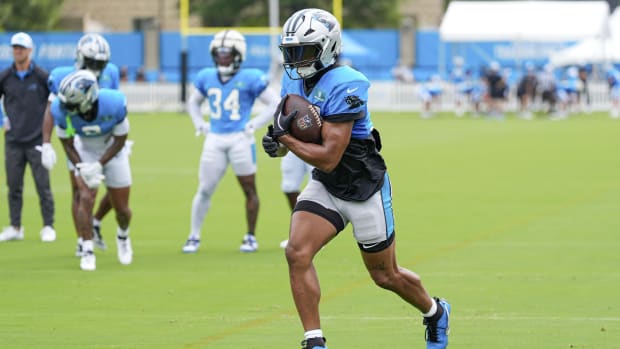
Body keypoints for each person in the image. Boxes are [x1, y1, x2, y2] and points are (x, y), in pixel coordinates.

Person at [261, 9, 451, 349]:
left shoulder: (348, 82)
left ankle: (435, 312)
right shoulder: (293, 81)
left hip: (363, 186)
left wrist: (286, 138)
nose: (295, 59)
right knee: (297, 252)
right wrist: (277, 143)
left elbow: (331, 156)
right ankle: (314, 340)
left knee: (385, 276)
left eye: (303, 51)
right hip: (326, 184)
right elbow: (294, 135)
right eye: (291, 51)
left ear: (327, 47)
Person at [181, 29, 279, 254]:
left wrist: (254, 123)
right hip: (214, 139)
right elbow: (193, 102)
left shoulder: (251, 77)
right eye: (219, 53)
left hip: (240, 140)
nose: (222, 58)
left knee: (249, 189)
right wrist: (199, 122)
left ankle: (250, 236)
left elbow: (275, 103)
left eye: (227, 54)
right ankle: (193, 235)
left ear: (238, 55)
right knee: (205, 189)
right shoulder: (206, 76)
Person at [41, 33, 121, 255]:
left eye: (100, 63)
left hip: (104, 135)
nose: (96, 67)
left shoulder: (111, 73)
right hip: (76, 136)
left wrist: (121, 137)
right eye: (92, 62)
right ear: (80, 57)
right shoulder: (62, 76)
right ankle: (81, 240)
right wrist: (46, 143)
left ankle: (94, 222)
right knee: (81, 191)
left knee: (115, 189)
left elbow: (114, 106)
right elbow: (51, 109)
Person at [50, 70, 133, 271]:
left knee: (122, 209)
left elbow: (121, 139)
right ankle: (87, 249)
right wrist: (82, 166)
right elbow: (67, 144)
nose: (66, 108)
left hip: (112, 149)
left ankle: (123, 236)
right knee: (84, 197)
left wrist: (99, 164)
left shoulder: (113, 102)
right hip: (84, 149)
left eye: (72, 104)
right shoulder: (59, 110)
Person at [0, 32, 56, 243]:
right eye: (15, 47)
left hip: (37, 140)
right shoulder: (5, 76)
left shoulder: (42, 76)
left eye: (21, 48)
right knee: (14, 186)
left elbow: (53, 102)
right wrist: (1, 121)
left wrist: (48, 136)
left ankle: (48, 226)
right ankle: (15, 227)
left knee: (43, 186)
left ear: (30, 51)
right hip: (13, 140)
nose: (17, 51)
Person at [278, 151, 313, 248]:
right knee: (289, 187)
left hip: (317, 144)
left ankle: (313, 235)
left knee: (316, 186)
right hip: (292, 146)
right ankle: (300, 234)